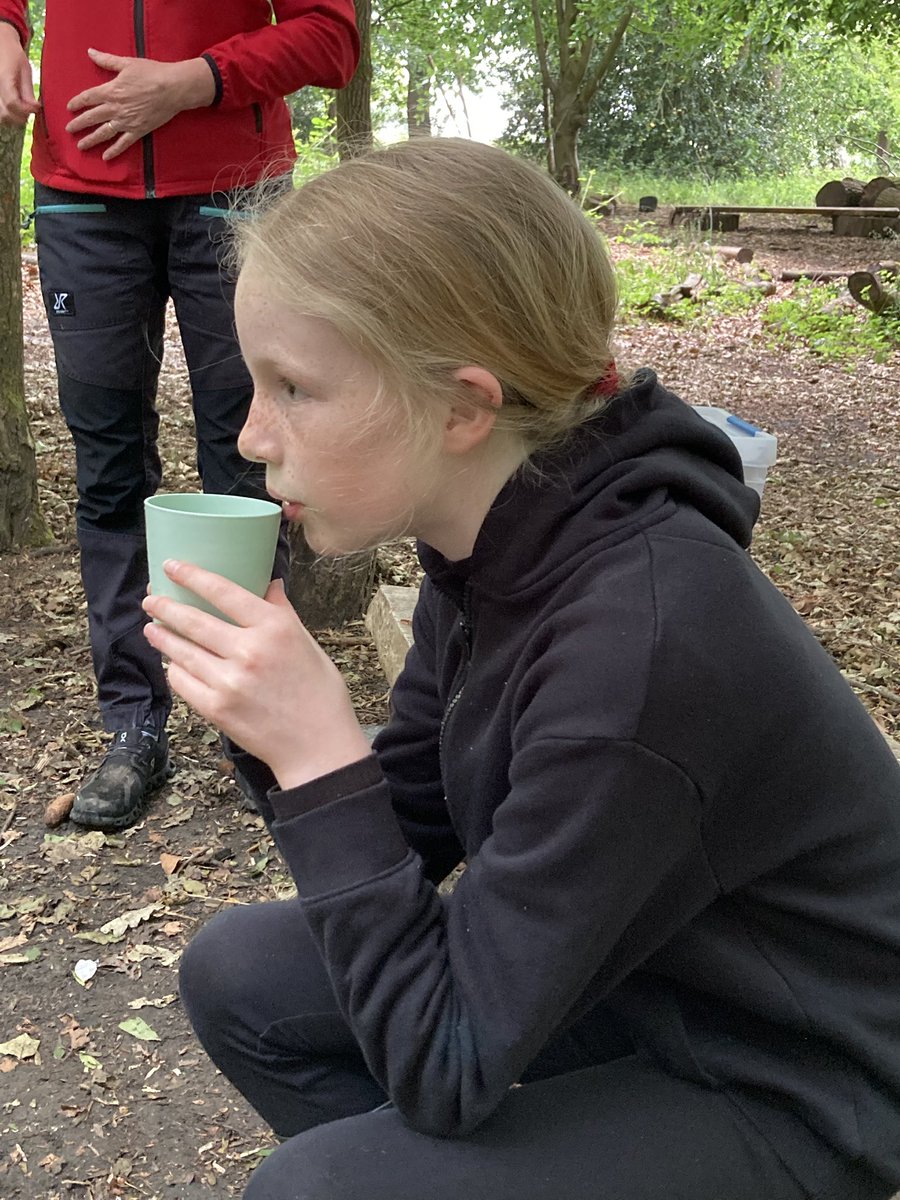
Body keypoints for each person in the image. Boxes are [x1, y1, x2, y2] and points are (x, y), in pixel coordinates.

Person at [142, 139, 900, 1200]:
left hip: (803, 1083)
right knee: (240, 977)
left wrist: (319, 752)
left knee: (318, 1188)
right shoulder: (490, 547)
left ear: (462, 407)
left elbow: (446, 1066)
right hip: (636, 978)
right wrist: (263, 716)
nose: (251, 434)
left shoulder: (640, 641)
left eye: (293, 387)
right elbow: (406, 813)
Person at [0, 1, 359, 830]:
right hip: (80, 193)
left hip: (236, 186)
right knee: (108, 466)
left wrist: (196, 82)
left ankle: (261, 729)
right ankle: (132, 727)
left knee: (252, 461)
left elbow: (331, 36)